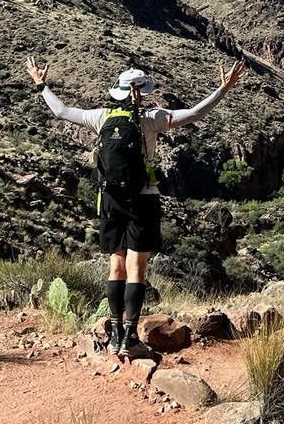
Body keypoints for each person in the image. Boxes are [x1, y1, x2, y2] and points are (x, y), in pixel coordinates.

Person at [24, 56, 244, 356]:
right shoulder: (152, 118)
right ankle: (130, 338)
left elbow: (61, 111)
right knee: (137, 268)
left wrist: (41, 84)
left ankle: (114, 335)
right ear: (143, 91)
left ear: (118, 90)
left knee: (116, 265)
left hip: (110, 198)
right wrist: (222, 89)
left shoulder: (100, 116)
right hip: (144, 198)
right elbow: (193, 114)